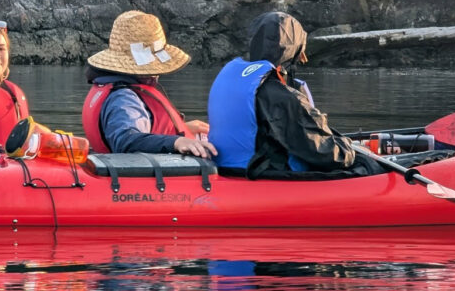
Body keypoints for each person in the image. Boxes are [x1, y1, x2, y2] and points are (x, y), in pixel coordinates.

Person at [207, 10, 379, 177]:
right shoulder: (282, 97)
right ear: (294, 51)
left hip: (228, 169)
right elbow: (330, 155)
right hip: (264, 174)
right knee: (366, 164)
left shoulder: (233, 76)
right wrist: (351, 149)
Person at [81, 10, 215, 157]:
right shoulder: (123, 98)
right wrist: (176, 142)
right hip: (129, 175)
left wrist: (178, 130)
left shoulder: (111, 86)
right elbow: (125, 141)